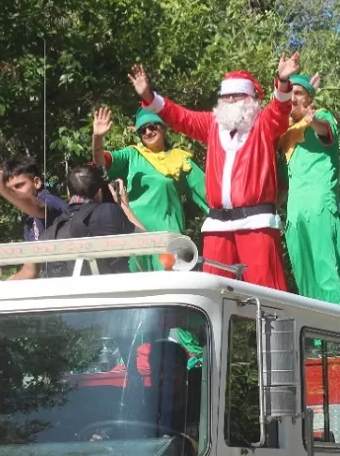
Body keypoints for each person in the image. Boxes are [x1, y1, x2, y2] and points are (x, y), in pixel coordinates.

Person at [127, 54, 302, 291]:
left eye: (237, 95)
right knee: (213, 290)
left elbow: (281, 110)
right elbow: (179, 117)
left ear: (251, 98)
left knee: (267, 292)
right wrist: (148, 97)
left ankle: (273, 330)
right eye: (226, 96)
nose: (230, 100)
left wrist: (282, 81)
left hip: (257, 222)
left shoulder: (263, 124)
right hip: (218, 225)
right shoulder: (212, 126)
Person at [92, 107, 210, 272]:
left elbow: (209, 192)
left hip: (168, 241)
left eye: (152, 126)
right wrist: (97, 138)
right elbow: (101, 162)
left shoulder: (180, 159)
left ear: (163, 127)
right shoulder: (132, 155)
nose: (148, 132)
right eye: (142, 130)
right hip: (137, 239)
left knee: (170, 292)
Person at [277, 72, 340, 304]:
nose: (293, 98)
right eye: (290, 93)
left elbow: (324, 129)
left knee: (325, 271)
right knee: (304, 280)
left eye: (299, 93)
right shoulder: (286, 134)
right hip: (295, 215)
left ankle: (337, 330)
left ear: (309, 99)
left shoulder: (321, 117)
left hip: (318, 207)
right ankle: (314, 340)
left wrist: (311, 119)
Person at [20, 164, 148, 280]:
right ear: (99, 193)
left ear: (70, 193)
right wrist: (124, 204)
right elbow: (146, 242)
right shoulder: (109, 212)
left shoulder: (50, 233)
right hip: (115, 298)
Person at [0, 154, 69, 280]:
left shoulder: (49, 203)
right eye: (10, 189)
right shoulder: (29, 224)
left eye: (19, 185)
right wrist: (2, 286)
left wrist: (2, 189)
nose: (15, 192)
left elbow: (36, 206)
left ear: (36, 182)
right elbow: (30, 271)